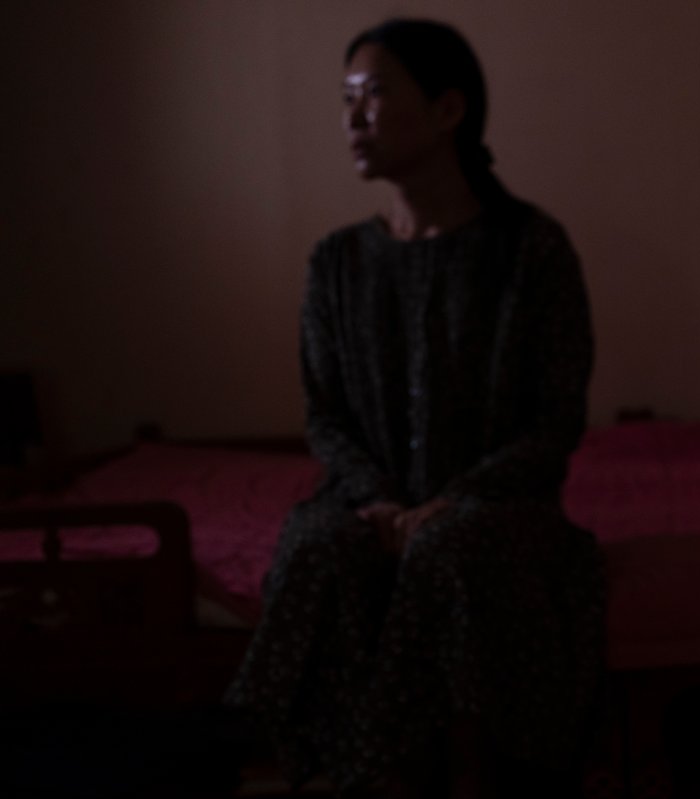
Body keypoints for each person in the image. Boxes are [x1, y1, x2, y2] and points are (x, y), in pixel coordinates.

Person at [223, 18, 605, 798]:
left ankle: (379, 773)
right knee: (320, 546)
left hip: (498, 506)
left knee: (450, 548)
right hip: (370, 502)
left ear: (447, 109)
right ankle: (291, 760)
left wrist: (454, 499)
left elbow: (555, 418)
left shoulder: (530, 248)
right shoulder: (336, 262)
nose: (352, 117)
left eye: (372, 95)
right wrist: (381, 500)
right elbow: (324, 414)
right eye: (345, 100)